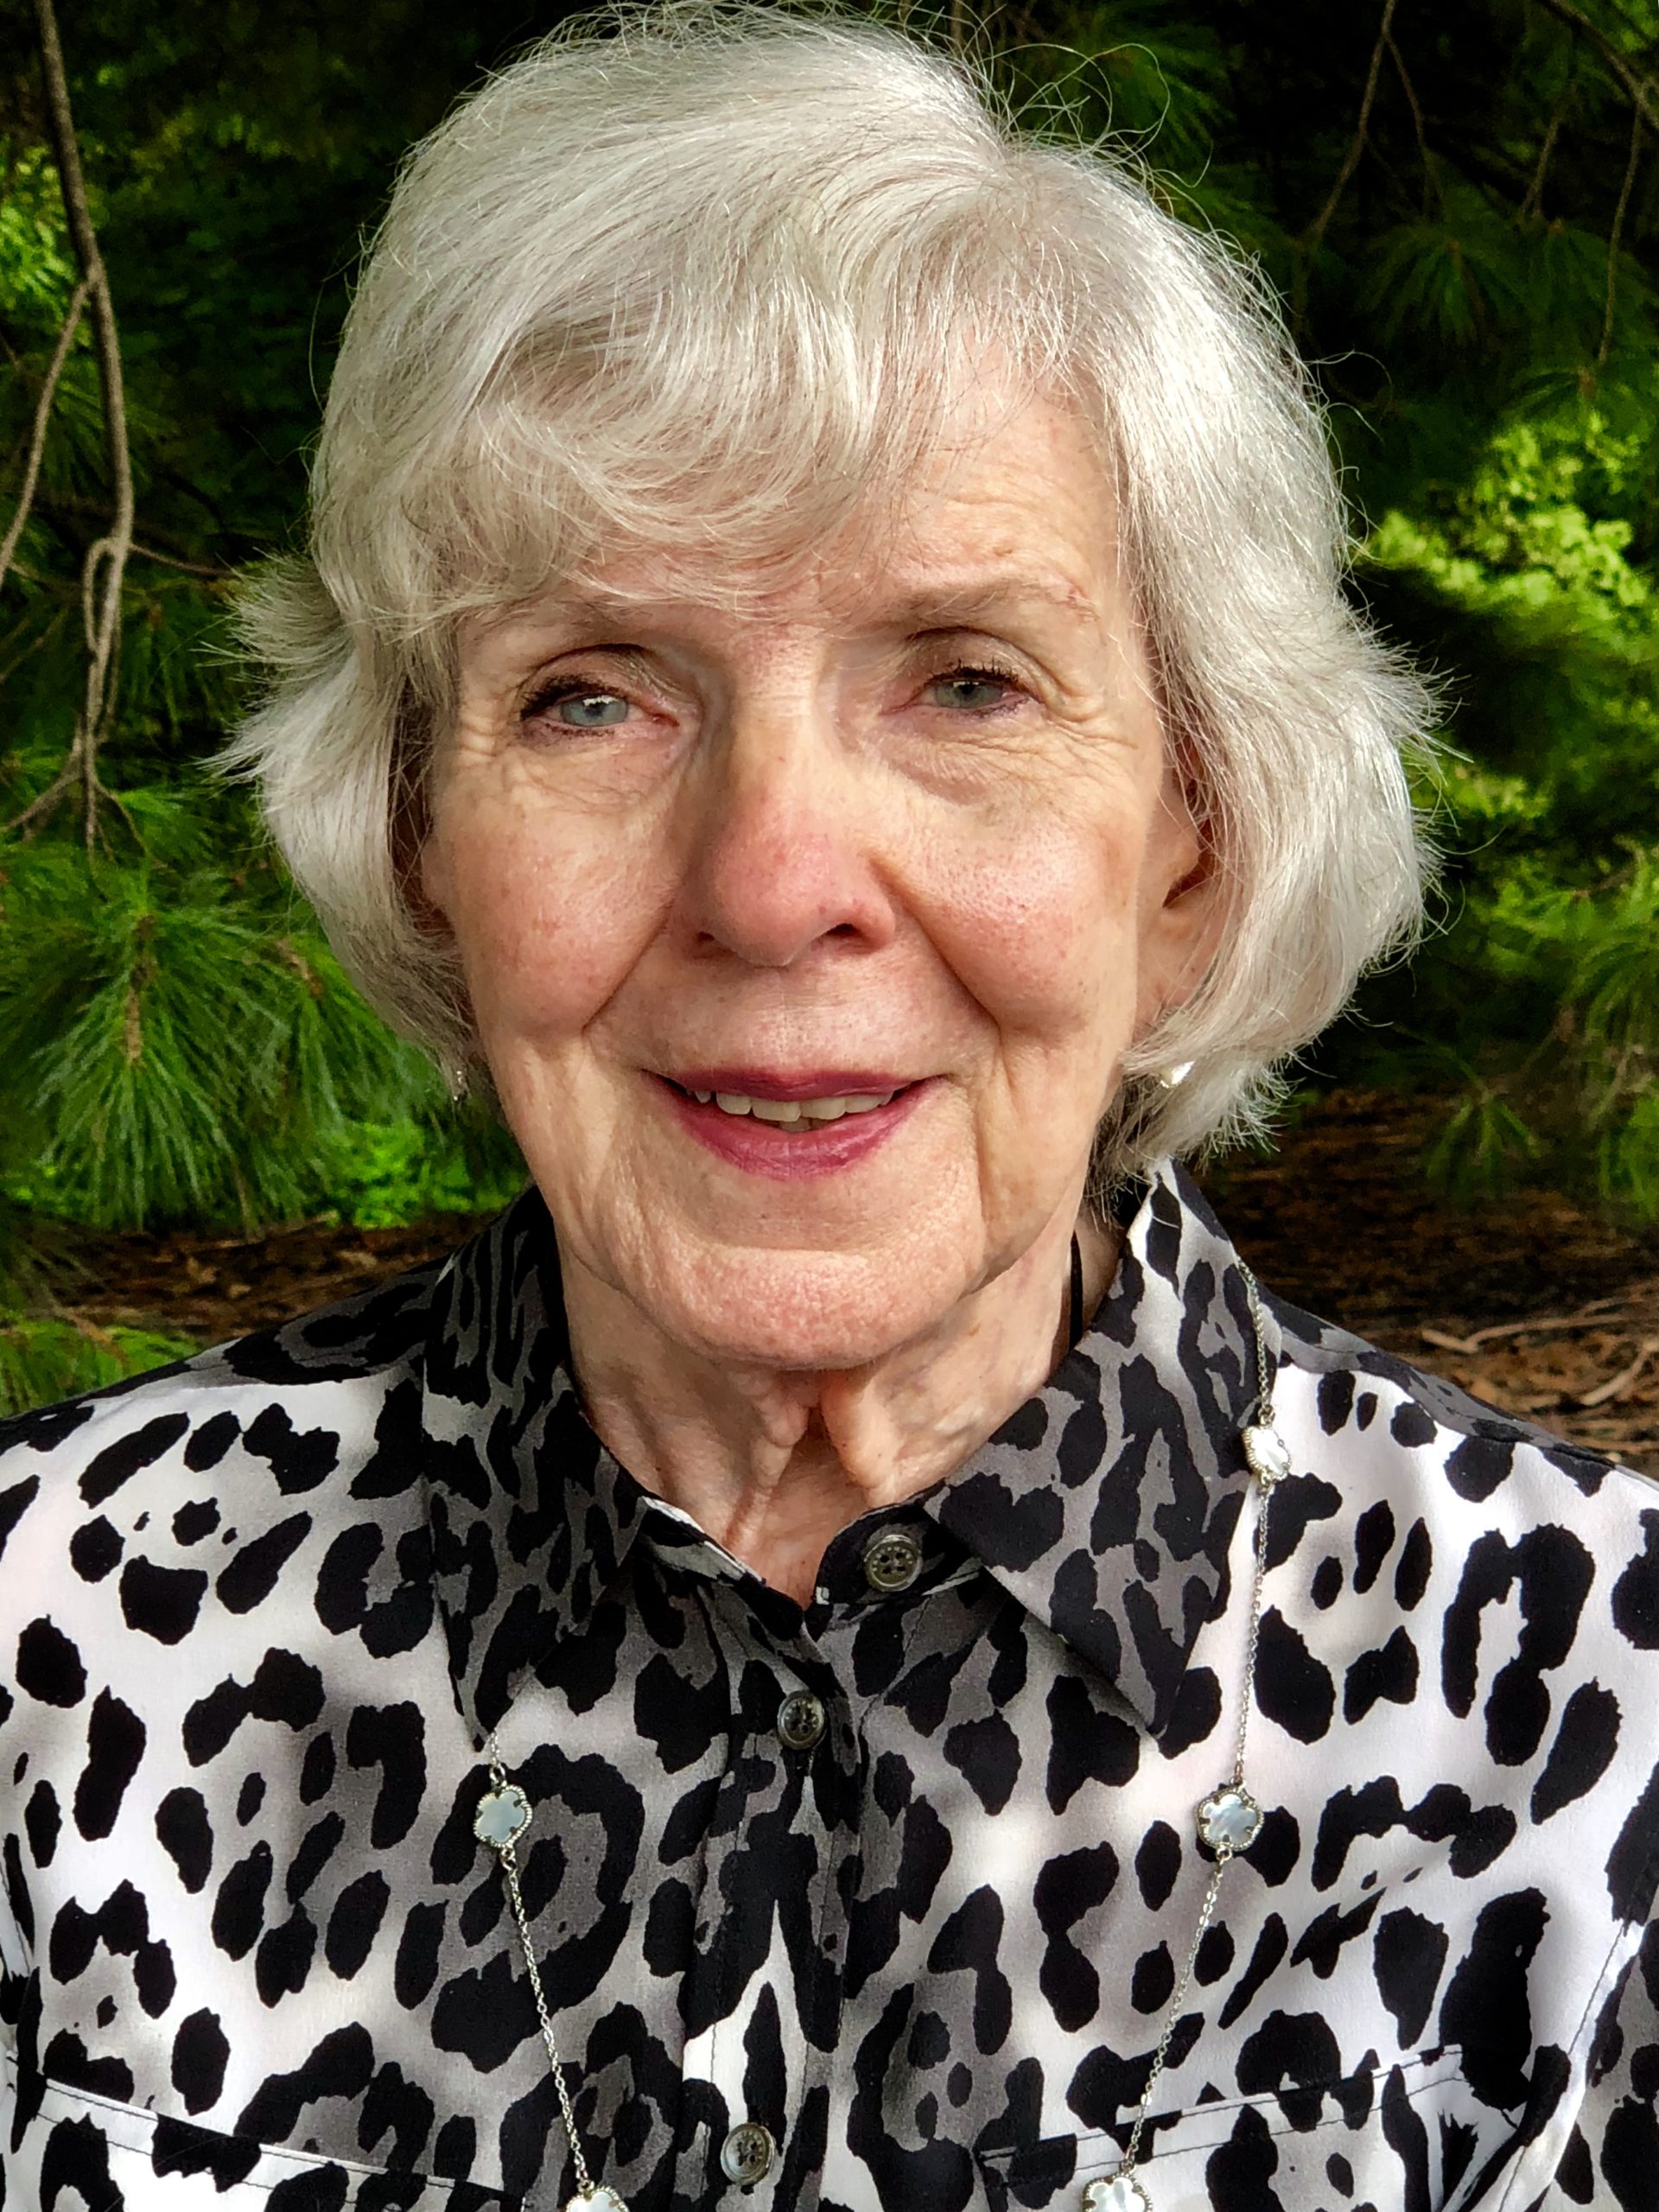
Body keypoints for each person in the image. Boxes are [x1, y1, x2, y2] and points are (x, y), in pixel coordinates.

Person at [1, 9, 1654, 2209]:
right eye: (592, 696)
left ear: (1195, 842)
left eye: (966, 680)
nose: (774, 880)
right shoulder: (44, 1638)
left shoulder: (1602, 1723)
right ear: (417, 835)